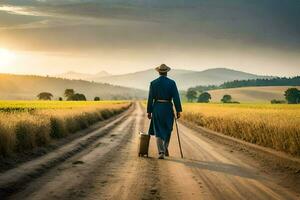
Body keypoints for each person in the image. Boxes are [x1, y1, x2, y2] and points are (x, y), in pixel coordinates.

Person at [147, 64, 182, 159]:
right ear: (167, 72)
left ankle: (161, 152)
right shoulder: (172, 83)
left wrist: (149, 111)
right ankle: (165, 147)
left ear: (158, 72)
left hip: (157, 108)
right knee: (168, 129)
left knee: (158, 129)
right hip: (168, 108)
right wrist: (178, 110)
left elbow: (150, 98)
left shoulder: (153, 83)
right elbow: (176, 97)